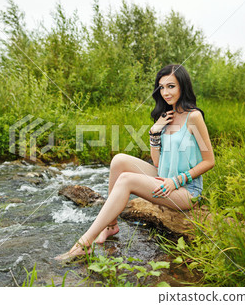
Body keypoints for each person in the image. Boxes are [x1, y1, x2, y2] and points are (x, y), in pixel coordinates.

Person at [55, 64, 215, 261]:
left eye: (171, 86)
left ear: (183, 86)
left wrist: (176, 181)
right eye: (161, 87)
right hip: (163, 177)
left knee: (127, 180)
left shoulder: (194, 117)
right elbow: (157, 162)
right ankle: (111, 225)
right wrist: (155, 132)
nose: (165, 92)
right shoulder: (166, 116)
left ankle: (84, 243)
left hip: (185, 190)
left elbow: (209, 161)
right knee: (119, 160)